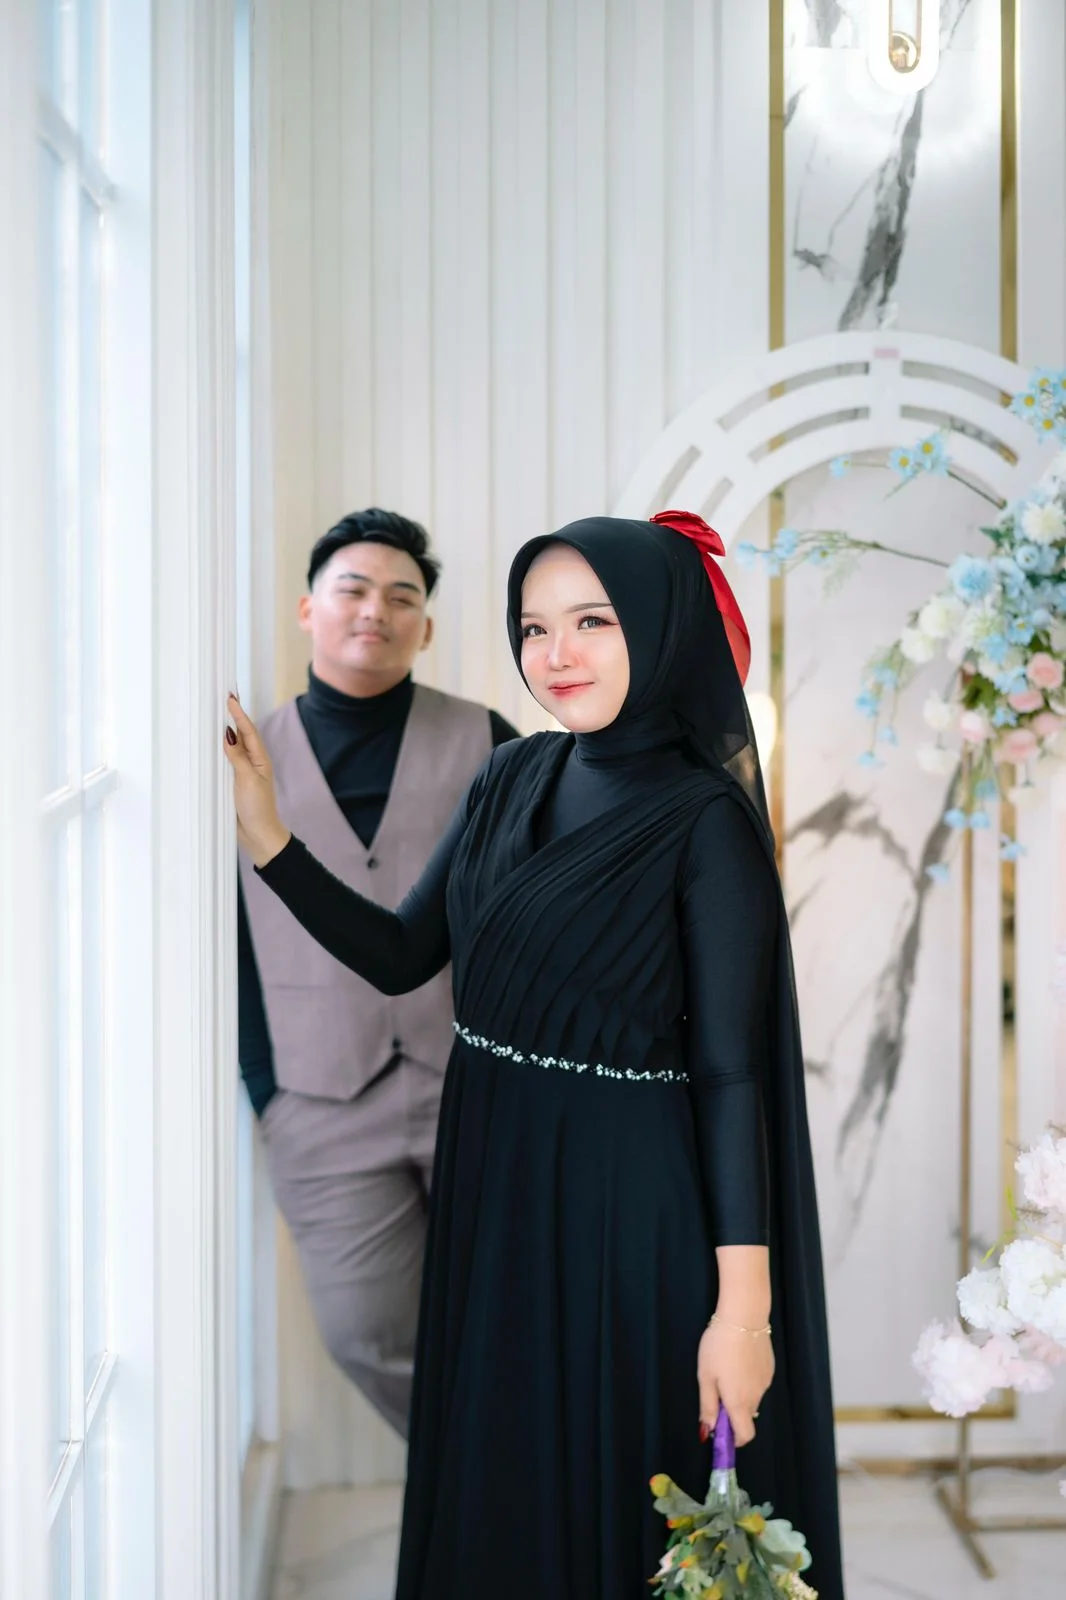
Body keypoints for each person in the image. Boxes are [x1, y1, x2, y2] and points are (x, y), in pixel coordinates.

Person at [225, 511, 845, 1600]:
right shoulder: (506, 775)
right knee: (505, 1473)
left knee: (616, 1485)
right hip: (496, 1179)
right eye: (534, 627)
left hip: (625, 1202)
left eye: (593, 622)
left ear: (659, 627)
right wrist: (269, 837)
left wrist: (741, 1316)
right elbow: (401, 953)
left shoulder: (704, 821)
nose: (556, 654)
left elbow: (730, 1077)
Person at [237, 508, 519, 1436]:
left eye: (402, 598)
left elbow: (531, 914)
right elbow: (225, 936)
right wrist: (268, 1087)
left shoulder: (489, 741)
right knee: (366, 1331)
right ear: (307, 609)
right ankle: (475, 1477)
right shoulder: (244, 758)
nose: (376, 611)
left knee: (520, 1310)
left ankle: (515, 1496)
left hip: (473, 1086)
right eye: (353, 589)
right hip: (317, 1099)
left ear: (425, 629)